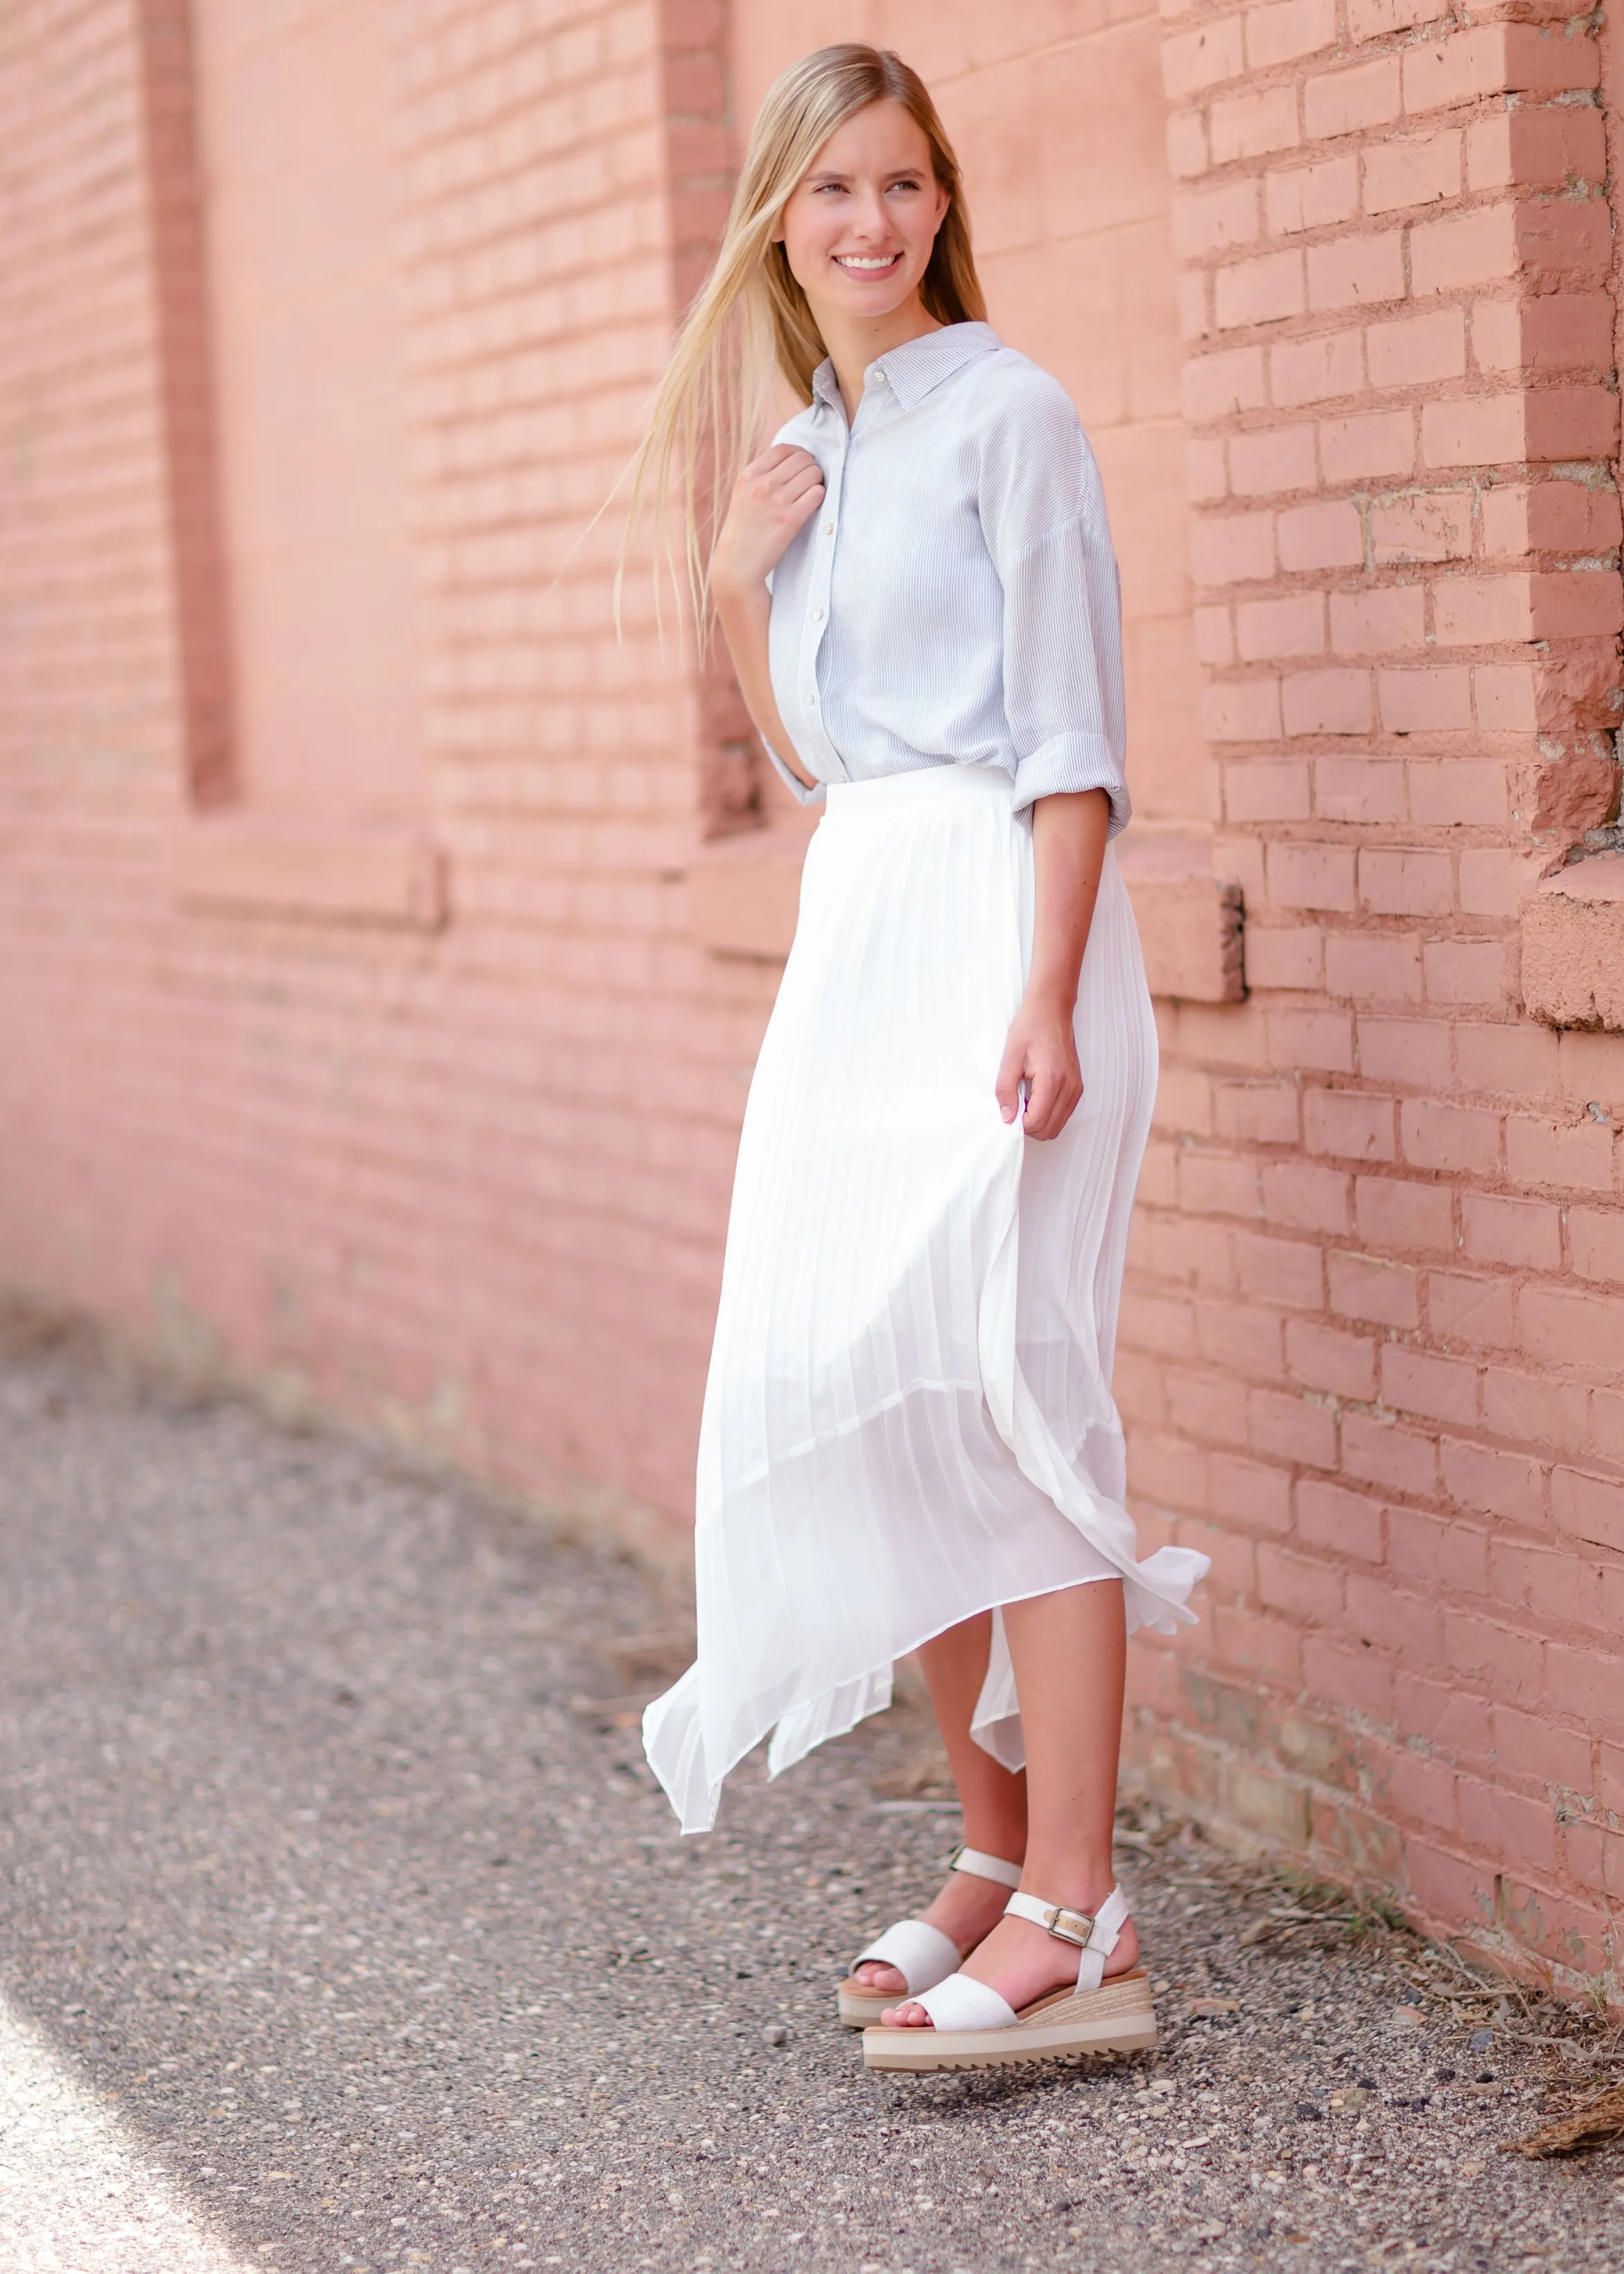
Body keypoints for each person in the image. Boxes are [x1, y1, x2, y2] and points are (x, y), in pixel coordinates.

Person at [626, 42, 1207, 2073]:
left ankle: (1078, 1902)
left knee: (1008, 1394)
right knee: (871, 1401)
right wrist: (727, 590)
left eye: (900, 185)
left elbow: (1066, 730)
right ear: (777, 222)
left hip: (995, 928)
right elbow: (823, 759)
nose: (868, 225)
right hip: (858, 936)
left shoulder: (1010, 411)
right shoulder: (809, 443)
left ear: (940, 200)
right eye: (829, 193)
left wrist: (1043, 992)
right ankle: (985, 1857)